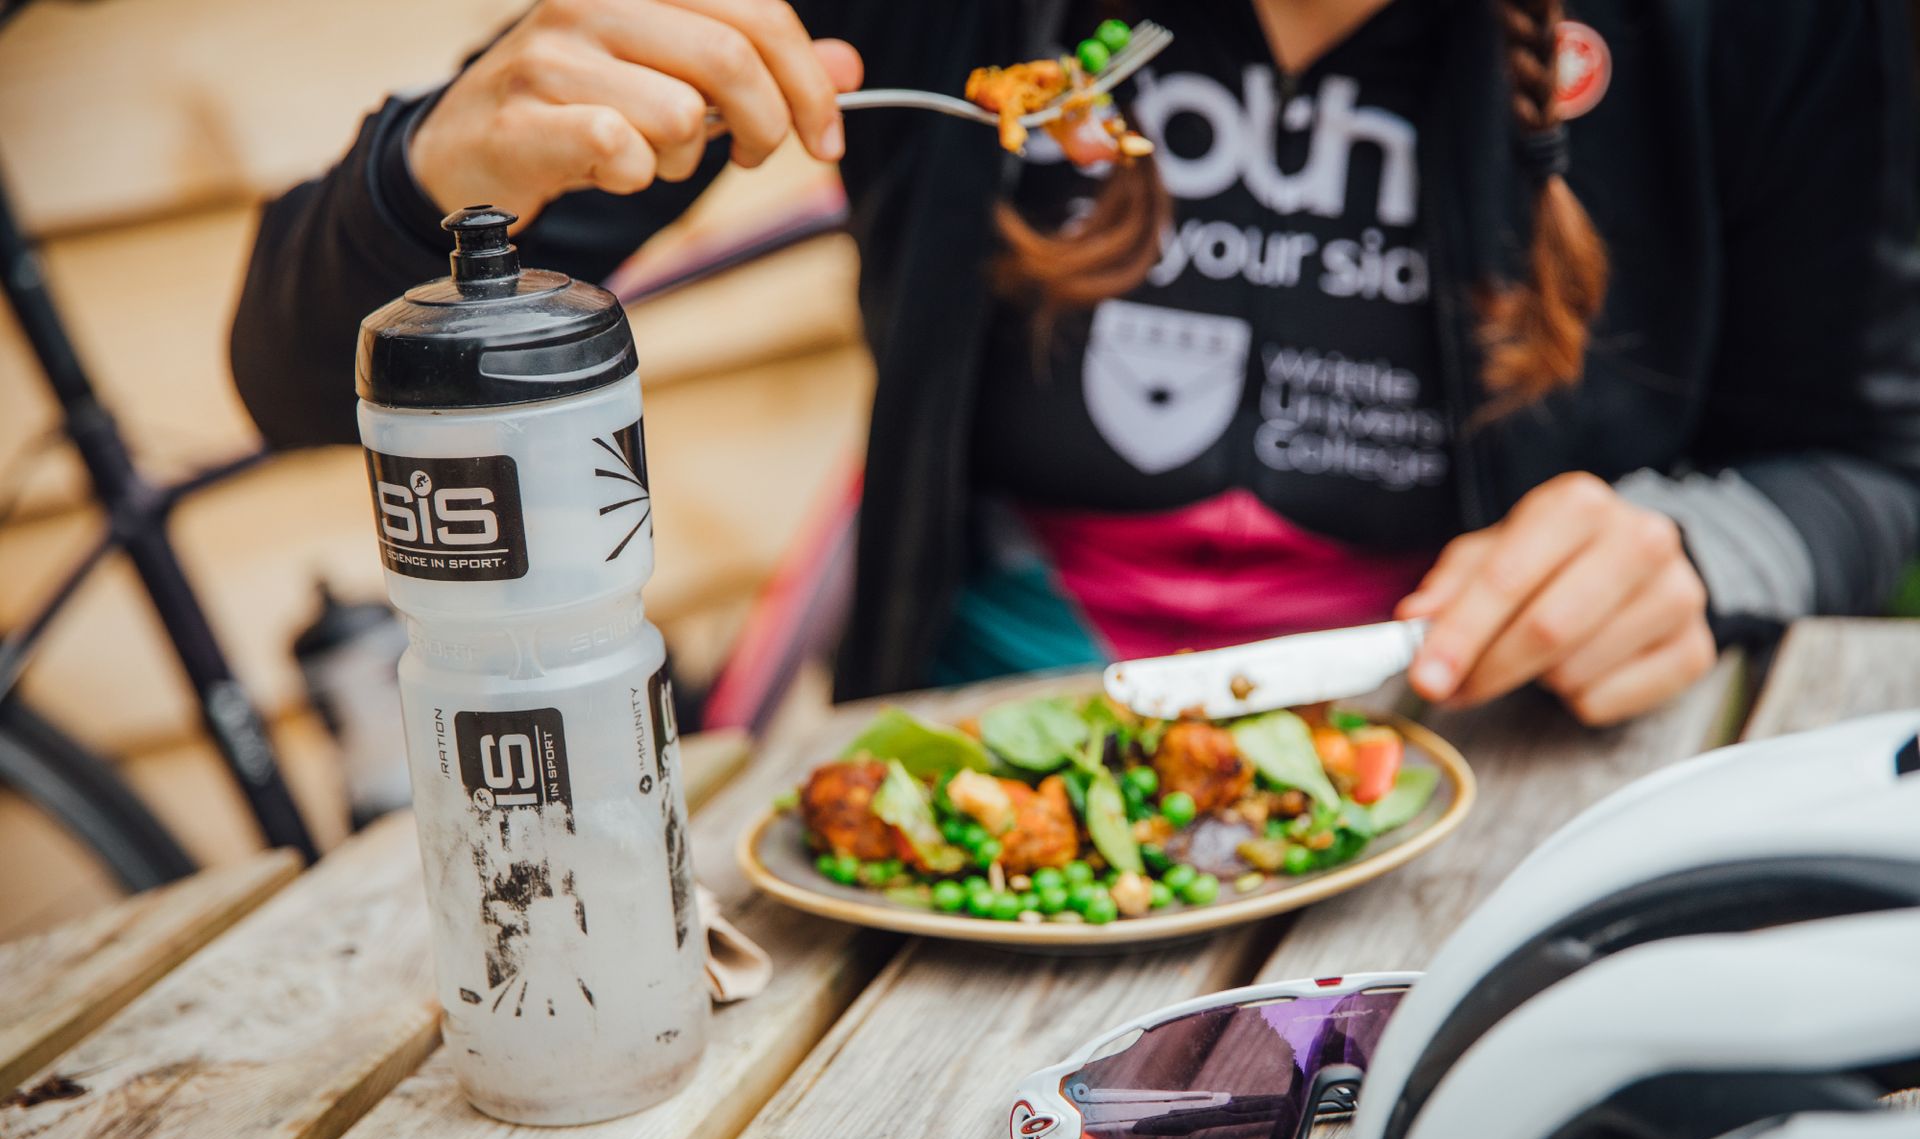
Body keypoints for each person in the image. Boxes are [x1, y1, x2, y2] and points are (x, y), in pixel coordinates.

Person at [231, 0, 1920, 725]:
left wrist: (1697, 553)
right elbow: (299, 377)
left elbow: (1869, 473)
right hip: (991, 755)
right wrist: (446, 165)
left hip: (1502, 764)